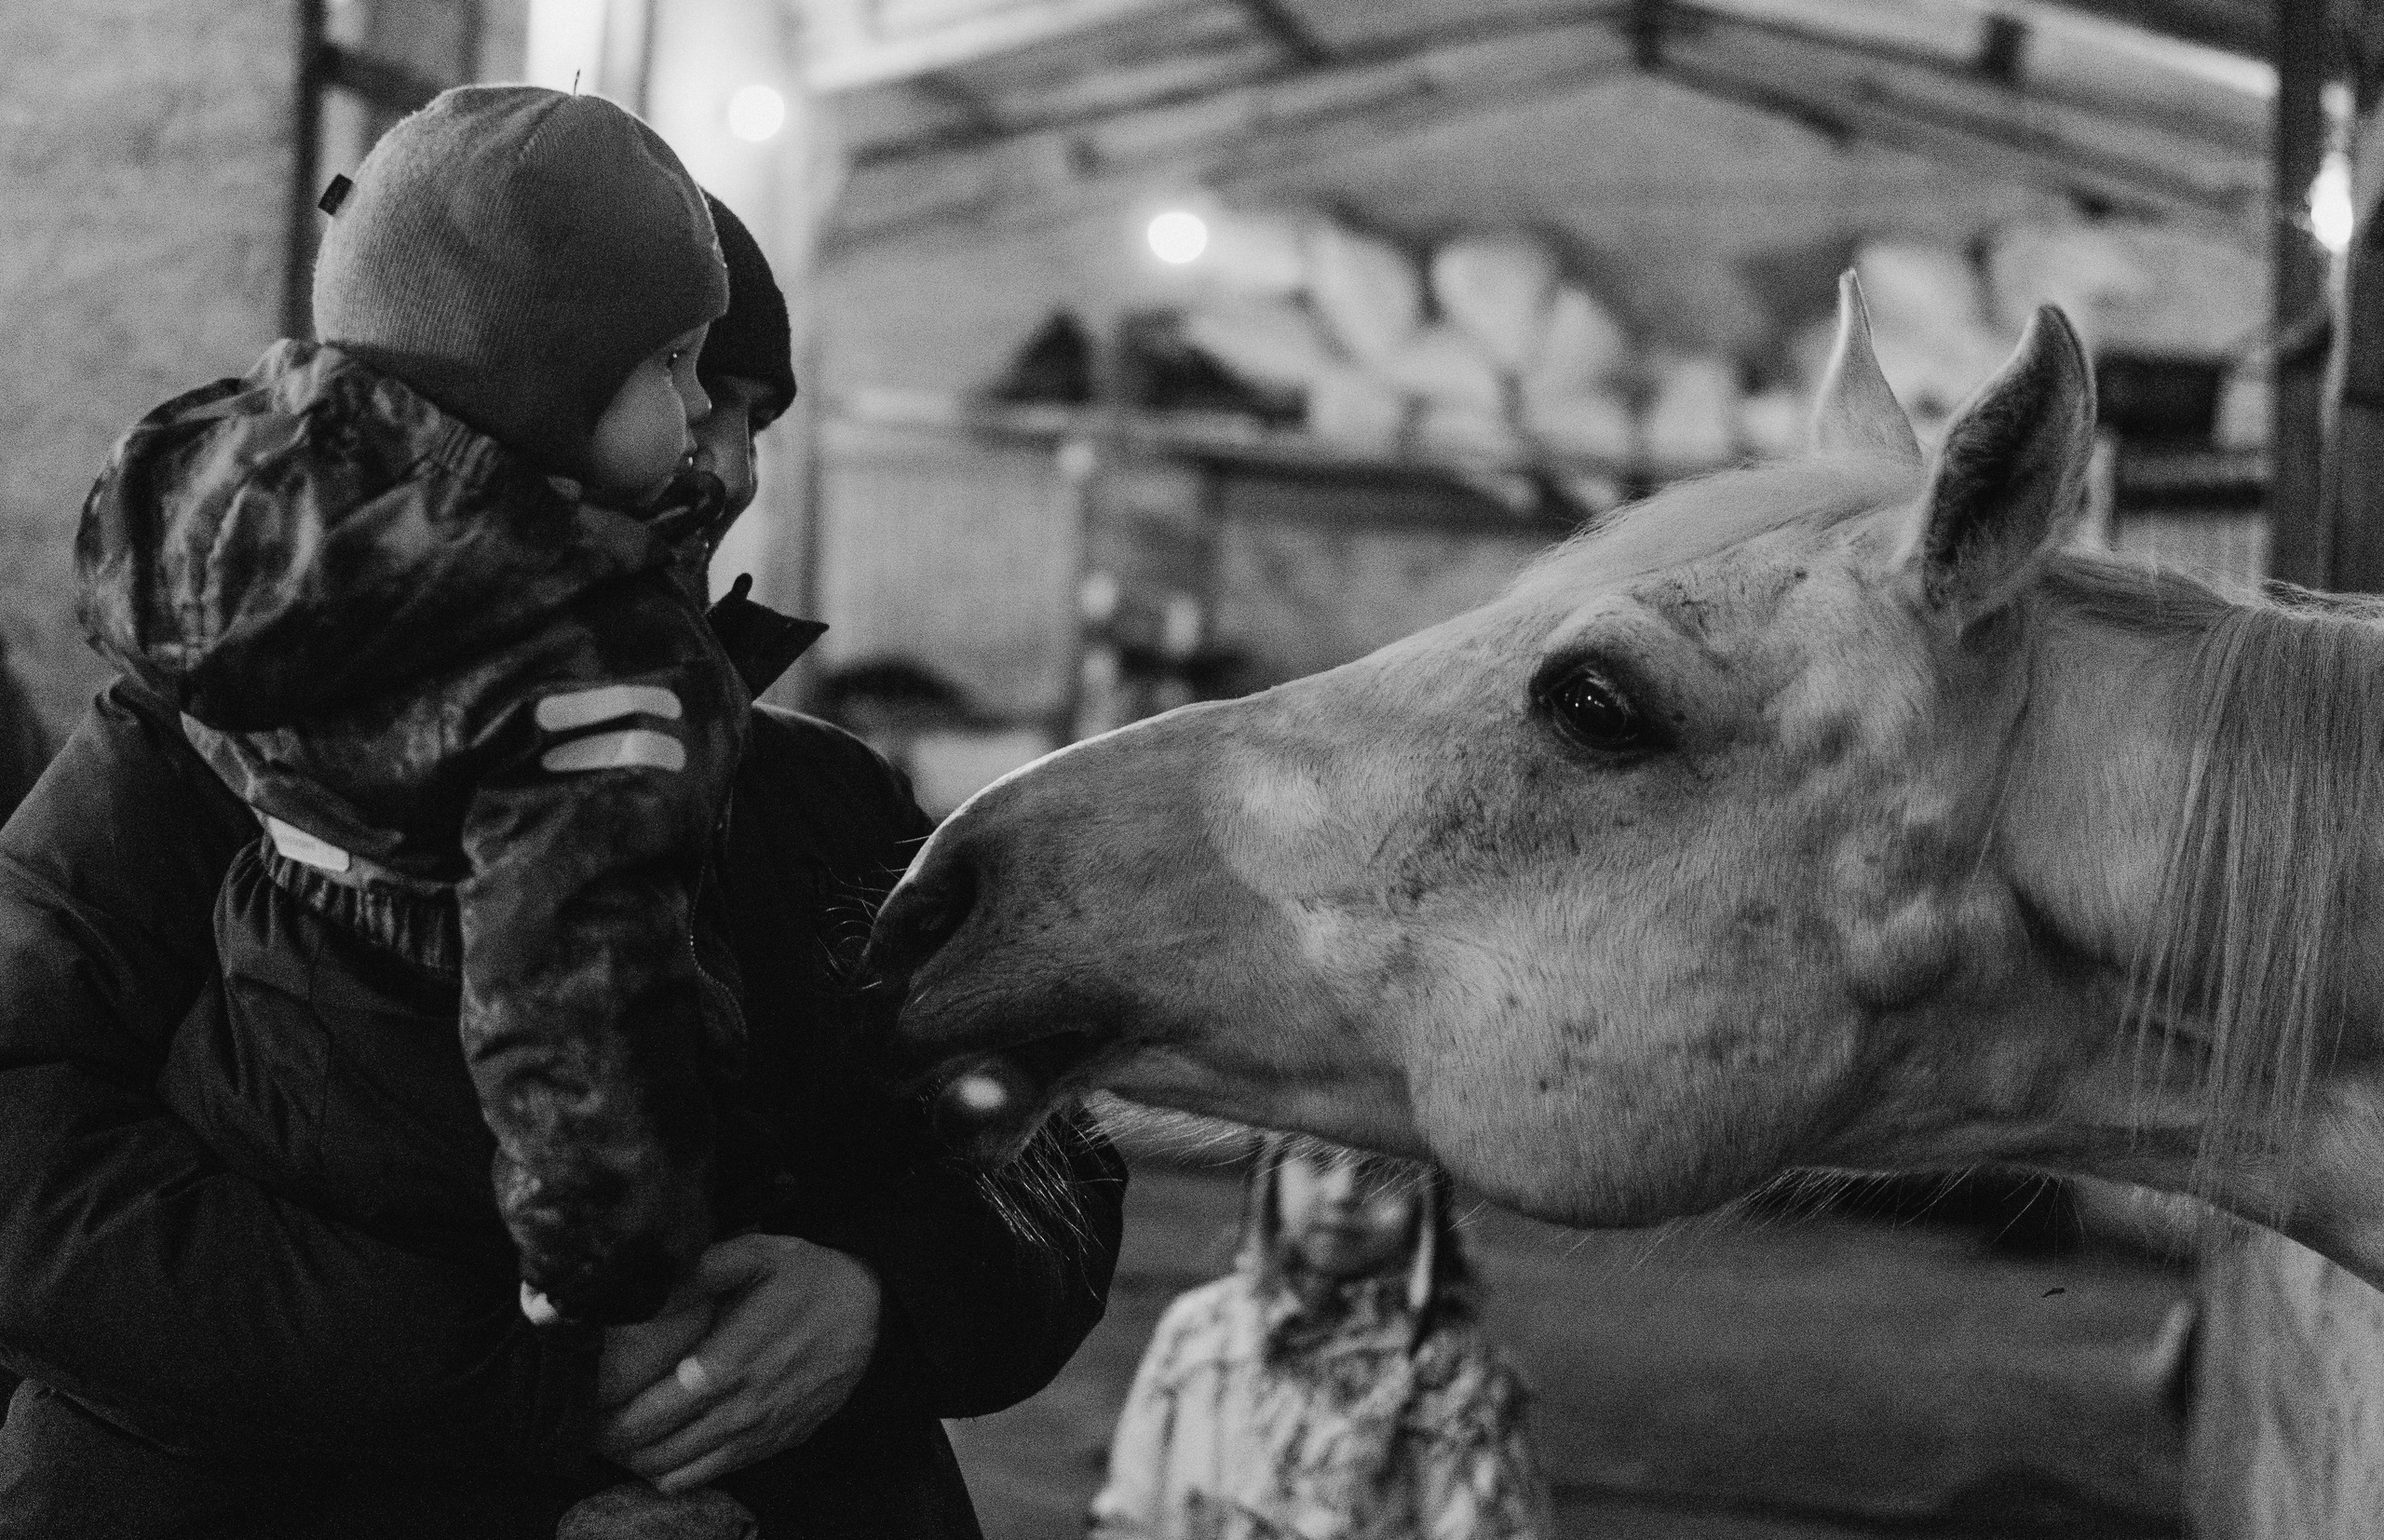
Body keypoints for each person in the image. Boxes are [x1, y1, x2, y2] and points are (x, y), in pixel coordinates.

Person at [0, 133, 1123, 1540]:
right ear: (518, 412)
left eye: (752, 416)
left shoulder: (820, 803)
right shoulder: (207, 754)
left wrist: (876, 1299)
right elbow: (33, 1162)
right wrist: (533, 1391)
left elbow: (1046, 1149)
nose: (717, 461)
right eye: (680, 390)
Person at [1089, 1140, 1550, 1540]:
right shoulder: (1197, 1330)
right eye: (1317, 1159)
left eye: (1382, 1169)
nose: (1344, 1192)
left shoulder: (1454, 1373)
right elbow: (1129, 1515)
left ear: (1426, 1200)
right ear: (1270, 1173)